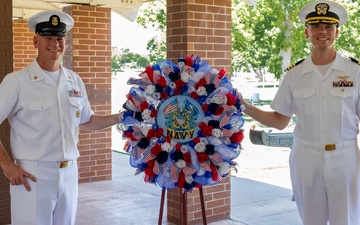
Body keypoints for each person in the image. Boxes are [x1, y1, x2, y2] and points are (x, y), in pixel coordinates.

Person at [241, 1, 360, 225]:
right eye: (316, 27)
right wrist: (246, 106)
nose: (322, 31)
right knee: (311, 221)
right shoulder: (294, 75)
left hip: (345, 158)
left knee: (347, 220)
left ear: (336, 31)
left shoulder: (354, 71)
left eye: (328, 26)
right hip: (307, 158)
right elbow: (279, 121)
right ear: (307, 32)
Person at [0, 10, 120, 225]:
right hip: (32, 175)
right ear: (35, 41)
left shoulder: (73, 80)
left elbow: (86, 121)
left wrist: (120, 118)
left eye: (59, 38)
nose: (55, 44)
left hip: (69, 172)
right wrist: (7, 166)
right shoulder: (16, 81)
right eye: (48, 38)